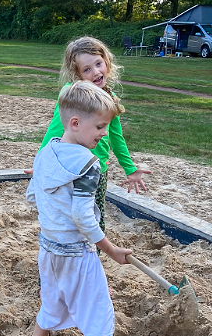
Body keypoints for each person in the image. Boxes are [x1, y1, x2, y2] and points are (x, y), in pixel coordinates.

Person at [26, 81, 137, 336]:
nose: (104, 133)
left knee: (52, 300)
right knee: (100, 312)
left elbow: (33, 193)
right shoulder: (90, 164)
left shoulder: (46, 152)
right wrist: (111, 248)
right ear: (75, 123)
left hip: (48, 248)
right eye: (101, 127)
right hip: (76, 253)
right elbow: (82, 216)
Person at [38, 36, 151, 232]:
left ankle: (94, 255)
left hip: (97, 169)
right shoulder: (71, 96)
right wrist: (42, 160)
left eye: (99, 64)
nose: (96, 72)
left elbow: (116, 137)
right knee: (68, 215)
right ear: (77, 74)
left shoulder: (110, 99)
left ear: (106, 61)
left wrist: (130, 168)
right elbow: (56, 128)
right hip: (71, 167)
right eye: (87, 69)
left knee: (95, 216)